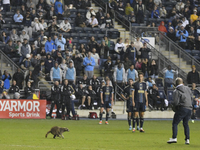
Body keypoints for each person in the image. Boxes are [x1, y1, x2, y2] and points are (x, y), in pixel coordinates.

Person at [167, 78, 192, 145]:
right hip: (189, 108)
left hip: (182, 108)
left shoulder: (176, 91)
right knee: (186, 124)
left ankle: (174, 138)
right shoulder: (188, 89)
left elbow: (175, 102)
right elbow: (191, 97)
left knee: (175, 123)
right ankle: (187, 139)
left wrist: (173, 106)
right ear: (182, 82)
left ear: (176, 83)